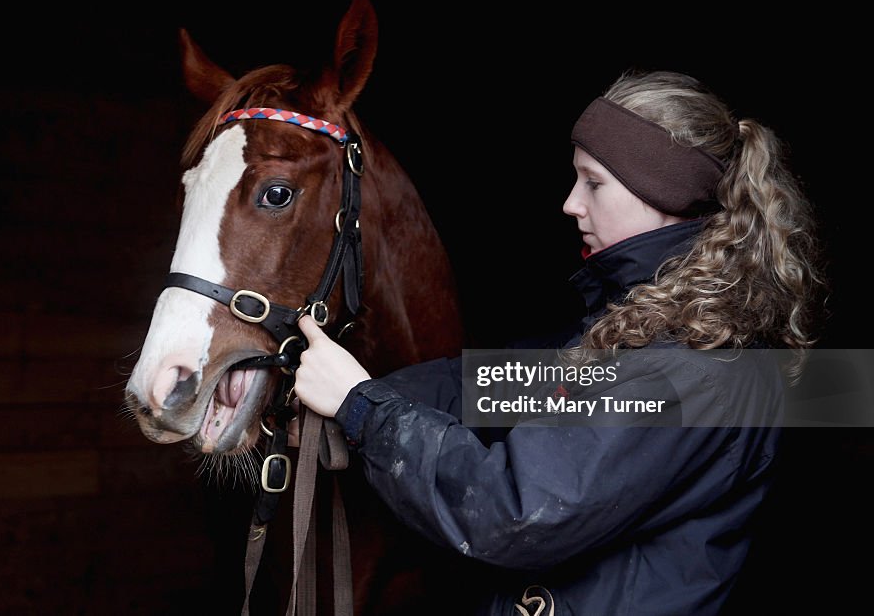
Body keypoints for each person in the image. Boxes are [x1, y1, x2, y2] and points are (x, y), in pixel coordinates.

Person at [291, 70, 825, 615]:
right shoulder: (638, 327)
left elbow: (515, 512)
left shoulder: (692, 368)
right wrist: (323, 393)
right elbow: (485, 386)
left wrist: (363, 408)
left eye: (594, 182)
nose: (570, 203)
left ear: (663, 189)